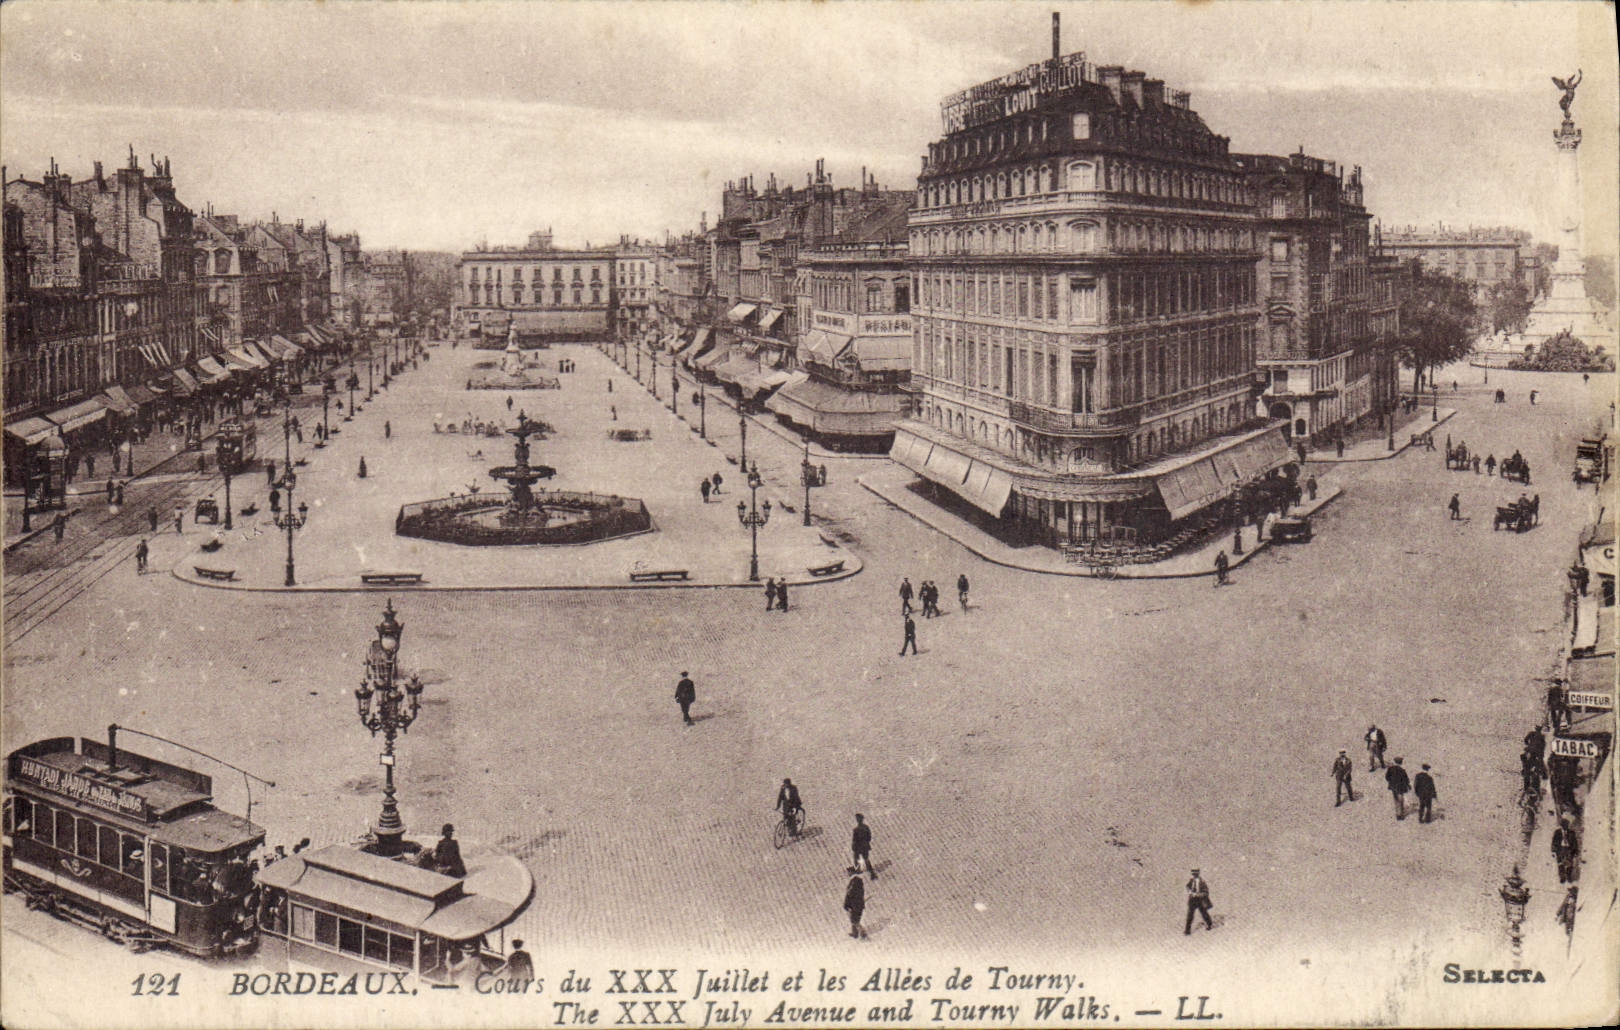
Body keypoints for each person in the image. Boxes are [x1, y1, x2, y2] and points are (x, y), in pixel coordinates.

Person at [1184, 869, 1213, 935]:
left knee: (1203, 912)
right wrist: (1190, 892)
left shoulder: (1202, 882)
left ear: (1198, 873)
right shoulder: (1191, 881)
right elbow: (1187, 887)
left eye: (1196, 873)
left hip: (1200, 900)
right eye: (1193, 873)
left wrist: (1199, 894)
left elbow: (1206, 891)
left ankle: (1209, 924)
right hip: (1192, 900)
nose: (1194, 875)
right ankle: (1187, 930)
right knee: (1190, 915)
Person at [1552, 819, 1579, 884]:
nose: (1565, 827)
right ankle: (1562, 877)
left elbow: (1575, 842)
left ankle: (1569, 876)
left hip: (1569, 849)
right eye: (1564, 825)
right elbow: (1554, 841)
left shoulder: (1572, 832)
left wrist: (1575, 851)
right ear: (1562, 826)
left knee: (1569, 864)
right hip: (1560, 849)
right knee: (1560, 864)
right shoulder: (1557, 832)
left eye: (1566, 825)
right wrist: (1553, 851)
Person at [843, 872, 867, 939]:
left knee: (855, 920)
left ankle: (863, 933)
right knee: (853, 919)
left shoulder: (855, 882)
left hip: (855, 905)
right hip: (854, 905)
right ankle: (855, 933)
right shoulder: (855, 881)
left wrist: (848, 904)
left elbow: (850, 895)